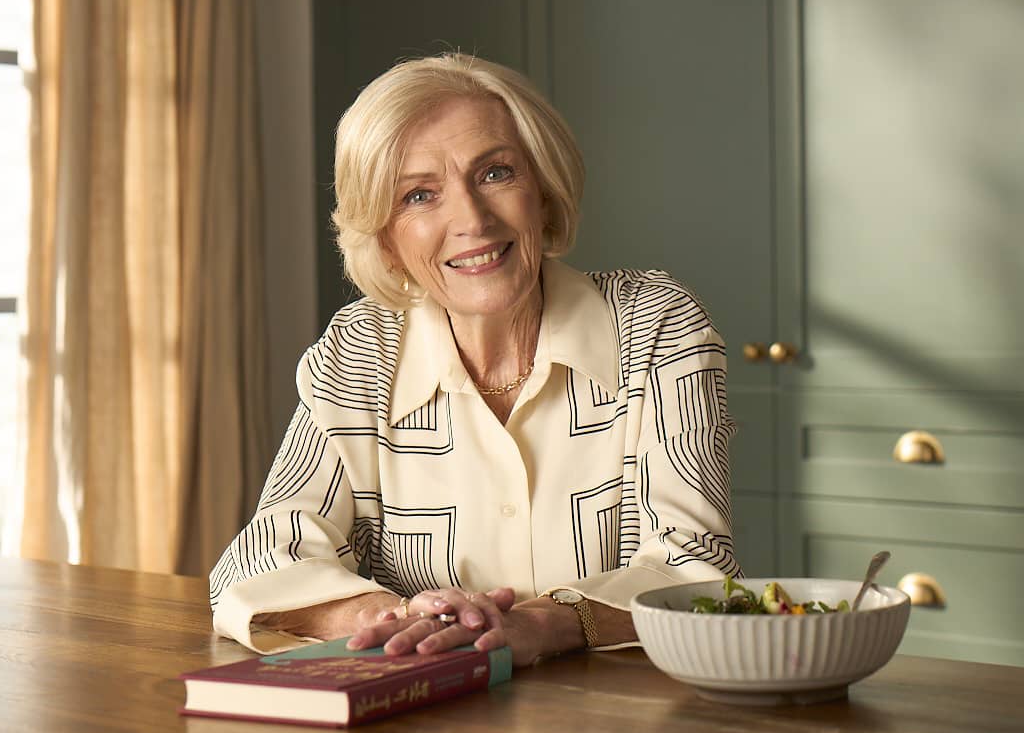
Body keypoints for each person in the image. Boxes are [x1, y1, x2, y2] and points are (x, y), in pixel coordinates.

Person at [208, 53, 739, 666]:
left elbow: (695, 566)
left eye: (495, 174)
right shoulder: (359, 352)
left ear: (542, 192)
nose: (471, 219)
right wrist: (398, 618)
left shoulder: (655, 323)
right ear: (387, 238)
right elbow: (256, 565)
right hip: (421, 720)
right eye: (419, 195)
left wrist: (540, 625)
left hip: (624, 730)